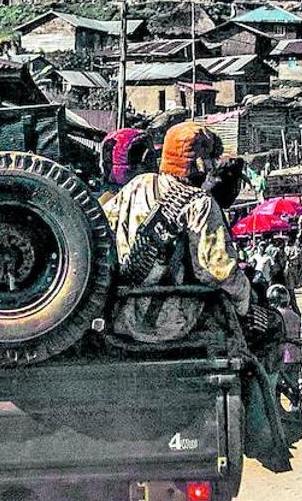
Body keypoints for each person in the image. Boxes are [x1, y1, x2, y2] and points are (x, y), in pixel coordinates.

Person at [103, 122, 251, 343]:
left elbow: (104, 230)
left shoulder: (138, 185)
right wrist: (245, 299)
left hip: (121, 317)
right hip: (173, 323)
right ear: (201, 163)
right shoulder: (200, 203)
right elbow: (217, 271)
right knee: (263, 328)